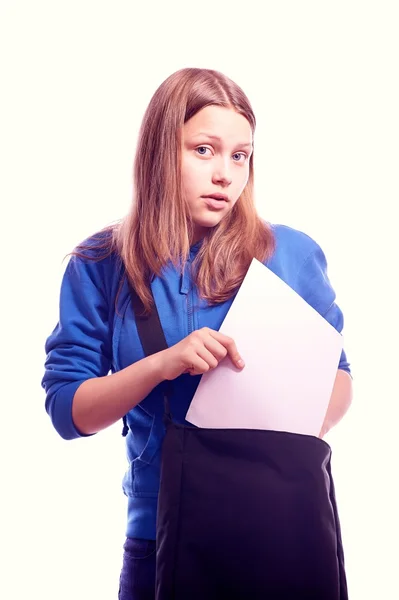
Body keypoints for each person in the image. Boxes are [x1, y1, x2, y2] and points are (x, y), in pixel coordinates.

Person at [42, 67, 353, 599]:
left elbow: (340, 379)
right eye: (204, 150)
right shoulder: (100, 264)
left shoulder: (291, 254)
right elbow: (68, 412)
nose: (226, 176)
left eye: (240, 155)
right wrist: (162, 365)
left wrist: (271, 438)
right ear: (162, 152)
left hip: (280, 529)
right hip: (158, 537)